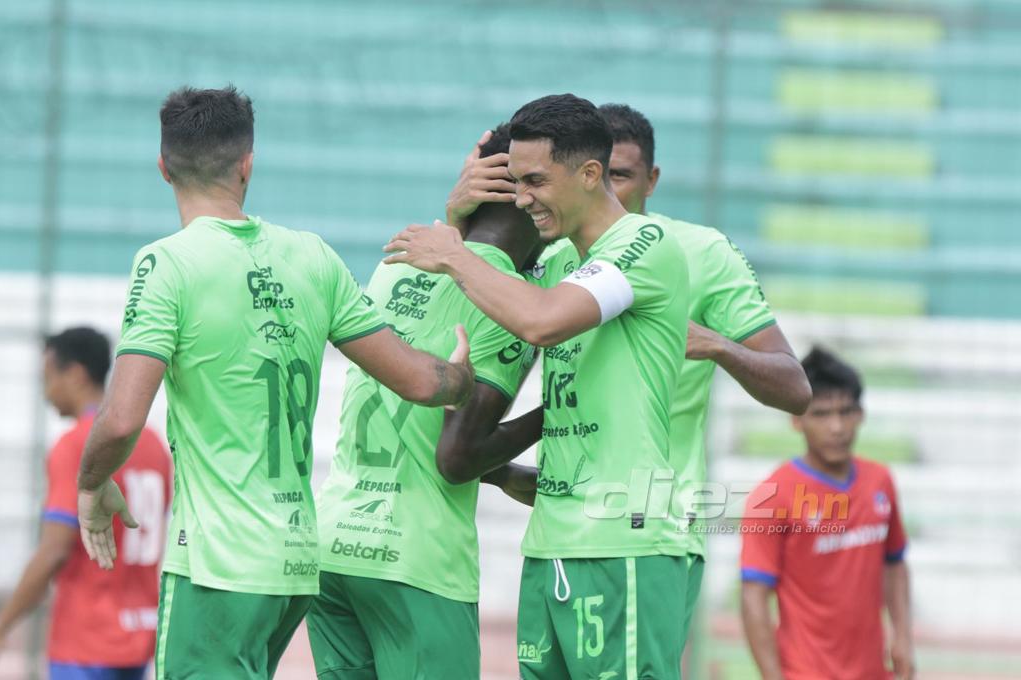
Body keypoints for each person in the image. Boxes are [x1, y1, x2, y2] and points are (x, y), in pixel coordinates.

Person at [75, 85, 475, 679]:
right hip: (293, 562)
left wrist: (92, 482)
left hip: (216, 565)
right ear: (247, 164)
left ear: (163, 168)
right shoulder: (311, 256)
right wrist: (461, 379)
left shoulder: (166, 263)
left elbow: (123, 418)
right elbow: (421, 380)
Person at [447, 102, 812, 644]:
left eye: (622, 174)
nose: (608, 186)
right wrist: (458, 217)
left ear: (649, 179)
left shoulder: (698, 252)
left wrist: (717, 346)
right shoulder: (555, 257)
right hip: (560, 524)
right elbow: (479, 313)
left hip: (645, 521)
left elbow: (795, 386)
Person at [385, 93, 692, 679]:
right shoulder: (553, 265)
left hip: (622, 544)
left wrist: (453, 254)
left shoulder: (644, 247)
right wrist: (455, 215)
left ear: (590, 173)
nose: (522, 198)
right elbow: (483, 288)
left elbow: (541, 321)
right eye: (515, 181)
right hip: (551, 541)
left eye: (534, 181)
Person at [307, 124, 545, 680]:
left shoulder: (397, 262)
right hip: (415, 560)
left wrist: (454, 215)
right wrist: (556, 409)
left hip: (337, 542)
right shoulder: (511, 299)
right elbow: (457, 456)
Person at [0, 328, 171, 680]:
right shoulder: (153, 444)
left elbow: (54, 552)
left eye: (48, 378)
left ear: (75, 374)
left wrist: (2, 624)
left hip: (86, 641)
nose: (46, 393)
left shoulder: (76, 445)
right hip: (139, 636)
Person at [740, 348, 914, 680]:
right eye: (821, 414)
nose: (836, 427)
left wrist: (903, 637)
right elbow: (754, 597)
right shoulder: (773, 495)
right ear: (796, 419)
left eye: (846, 411)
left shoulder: (881, 481)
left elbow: (895, 562)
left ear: (861, 414)